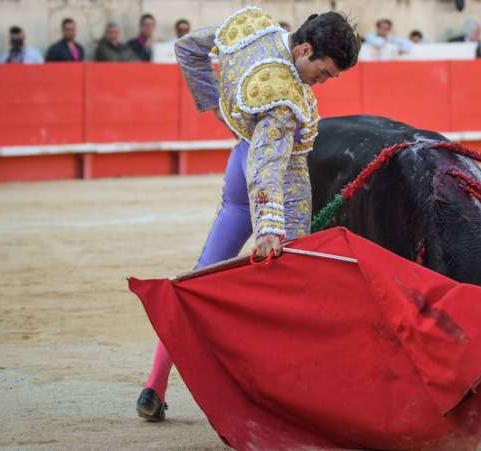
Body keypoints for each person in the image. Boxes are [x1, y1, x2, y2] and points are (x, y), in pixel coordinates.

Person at [135, 6, 361, 422]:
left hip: (237, 163)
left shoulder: (254, 28)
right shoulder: (284, 99)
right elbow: (267, 164)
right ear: (306, 48)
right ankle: (282, 396)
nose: (322, 81)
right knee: (292, 294)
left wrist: (215, 105)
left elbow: (188, 48)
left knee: (198, 276)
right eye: (323, 71)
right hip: (276, 186)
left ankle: (154, 385)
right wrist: (271, 227)